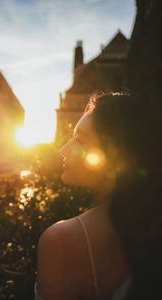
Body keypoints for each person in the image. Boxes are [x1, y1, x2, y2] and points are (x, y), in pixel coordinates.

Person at [35, 93, 162, 300]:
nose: (63, 150)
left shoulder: (60, 240)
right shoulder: (152, 224)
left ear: (116, 160)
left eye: (80, 140)